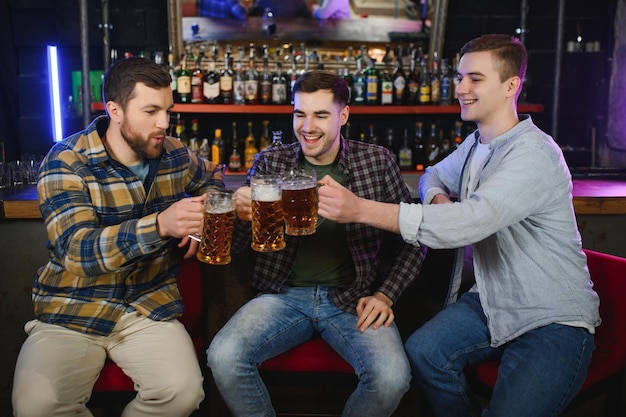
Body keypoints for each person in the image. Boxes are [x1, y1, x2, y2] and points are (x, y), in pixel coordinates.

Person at [316, 34, 601, 417]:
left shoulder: (533, 154)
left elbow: (467, 225)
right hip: (491, 301)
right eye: (460, 76)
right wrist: (437, 198)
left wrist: (359, 209)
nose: (461, 88)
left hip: (550, 318)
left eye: (475, 79)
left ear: (511, 86)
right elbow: (432, 174)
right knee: (424, 352)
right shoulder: (477, 143)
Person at [12, 56, 225, 417]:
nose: (164, 124)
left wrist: (203, 224)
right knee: (36, 406)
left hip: (148, 304)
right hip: (73, 307)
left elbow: (214, 178)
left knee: (183, 392)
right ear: (115, 110)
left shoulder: (174, 154)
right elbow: (78, 253)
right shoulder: (66, 161)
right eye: (151, 111)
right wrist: (161, 225)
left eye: (168, 110)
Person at [206, 70, 426, 417]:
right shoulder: (270, 162)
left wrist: (386, 294)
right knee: (223, 357)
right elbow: (238, 248)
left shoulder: (376, 161)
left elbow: (416, 238)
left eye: (321, 115)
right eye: (300, 114)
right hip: (282, 296)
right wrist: (240, 216)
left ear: (343, 115)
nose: (307, 127)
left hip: (352, 298)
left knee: (391, 379)